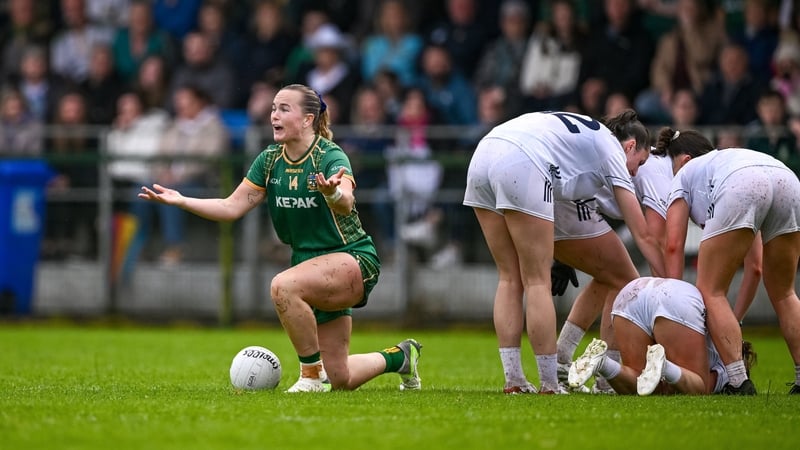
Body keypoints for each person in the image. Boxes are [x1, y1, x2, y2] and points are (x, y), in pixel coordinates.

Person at [138, 83, 422, 393]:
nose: (274, 114)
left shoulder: (329, 155)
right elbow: (231, 207)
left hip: (353, 258)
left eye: (284, 108)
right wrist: (182, 200)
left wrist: (332, 193)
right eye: (274, 108)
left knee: (282, 286)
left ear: (307, 119)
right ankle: (401, 357)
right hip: (309, 266)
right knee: (341, 378)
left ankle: (311, 377)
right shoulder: (270, 160)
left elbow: (347, 201)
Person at [463, 109, 665, 394]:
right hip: (524, 160)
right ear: (631, 145)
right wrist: (668, 283)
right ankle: (549, 381)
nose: (636, 171)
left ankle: (515, 380)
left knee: (510, 278)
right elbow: (642, 234)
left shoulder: (590, 137)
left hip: (485, 151)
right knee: (537, 281)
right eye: (639, 162)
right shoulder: (613, 151)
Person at [661, 127, 800, 394]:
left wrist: (672, 306)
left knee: (710, 290)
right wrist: (733, 320)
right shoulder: (722, 162)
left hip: (743, 183)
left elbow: (673, 245)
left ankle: (737, 381)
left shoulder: (685, 174)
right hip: (787, 179)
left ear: (685, 160)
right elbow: (755, 267)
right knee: (784, 293)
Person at [568, 277, 757, 395]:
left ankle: (602, 362)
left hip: (633, 291)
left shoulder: (725, 337)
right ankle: (663, 365)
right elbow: (705, 387)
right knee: (700, 387)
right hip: (678, 302)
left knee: (643, 384)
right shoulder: (729, 367)